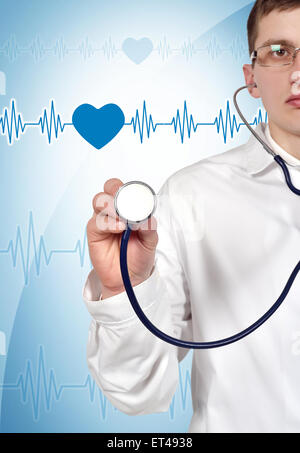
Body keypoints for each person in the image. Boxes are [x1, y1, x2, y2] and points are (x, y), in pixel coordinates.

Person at [82, 0, 300, 433]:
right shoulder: (191, 195)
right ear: (250, 78)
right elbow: (139, 392)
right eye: (279, 50)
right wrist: (126, 287)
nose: (298, 71)